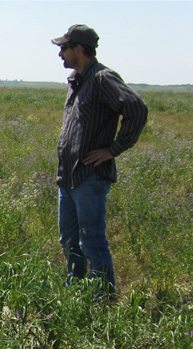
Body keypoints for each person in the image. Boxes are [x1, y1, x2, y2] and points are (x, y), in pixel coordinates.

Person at [51, 24, 147, 296]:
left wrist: (113, 149)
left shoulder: (103, 78)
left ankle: (102, 299)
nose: (60, 54)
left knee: (92, 240)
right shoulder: (77, 80)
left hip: (90, 178)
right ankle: (76, 294)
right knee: (69, 241)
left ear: (79, 49)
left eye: (64, 48)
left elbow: (137, 109)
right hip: (68, 176)